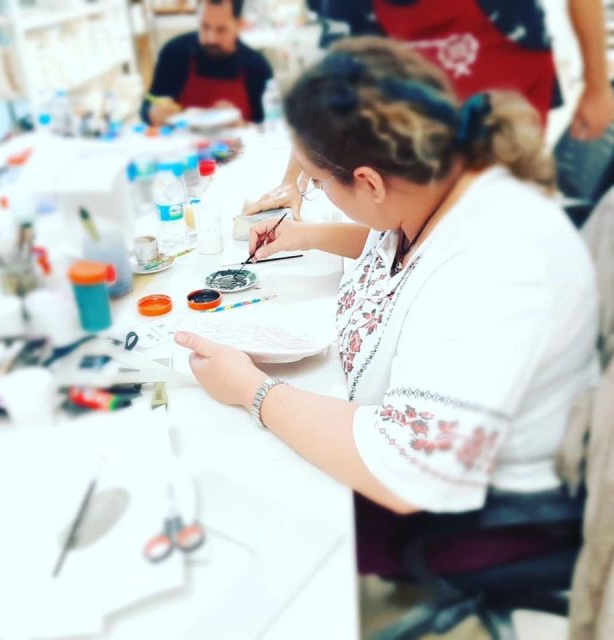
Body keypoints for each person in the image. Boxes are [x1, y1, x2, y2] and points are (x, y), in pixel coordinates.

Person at [174, 37, 598, 573]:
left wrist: (250, 390)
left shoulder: (494, 268)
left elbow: (410, 468)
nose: (315, 191)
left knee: (233, 521)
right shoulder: (429, 179)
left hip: (481, 510)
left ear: (369, 182)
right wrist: (304, 234)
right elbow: (400, 246)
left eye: (317, 183)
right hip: (425, 440)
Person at [246, 0, 613, 219]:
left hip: (505, 60)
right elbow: (332, 83)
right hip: (425, 87)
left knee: (497, 203)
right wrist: (294, 178)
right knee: (434, 210)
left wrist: (597, 87)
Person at [140, 0, 273, 126]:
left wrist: (243, 125)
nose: (211, 38)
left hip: (236, 142)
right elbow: (147, 104)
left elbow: (269, 126)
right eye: (205, 27)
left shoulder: (257, 67)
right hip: (182, 141)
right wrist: (152, 112)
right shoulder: (175, 53)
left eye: (221, 30)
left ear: (239, 25)